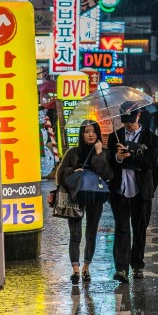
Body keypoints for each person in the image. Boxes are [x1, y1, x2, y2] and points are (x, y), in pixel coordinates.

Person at [107, 102, 158, 281]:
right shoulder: (115, 137)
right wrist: (117, 158)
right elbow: (109, 163)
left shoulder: (150, 137)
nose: (128, 124)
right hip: (120, 191)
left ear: (138, 116)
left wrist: (132, 156)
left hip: (141, 191)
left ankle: (137, 265)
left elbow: (151, 164)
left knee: (139, 230)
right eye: (125, 120)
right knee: (122, 229)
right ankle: (121, 268)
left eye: (131, 120)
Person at [56, 120, 111, 282]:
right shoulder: (74, 152)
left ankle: (86, 267)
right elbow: (60, 175)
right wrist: (73, 170)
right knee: (75, 234)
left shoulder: (103, 152)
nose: (90, 134)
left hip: (95, 197)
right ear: (82, 134)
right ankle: (75, 270)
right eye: (87, 131)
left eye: (93, 131)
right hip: (75, 197)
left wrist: (99, 154)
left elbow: (107, 175)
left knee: (91, 234)